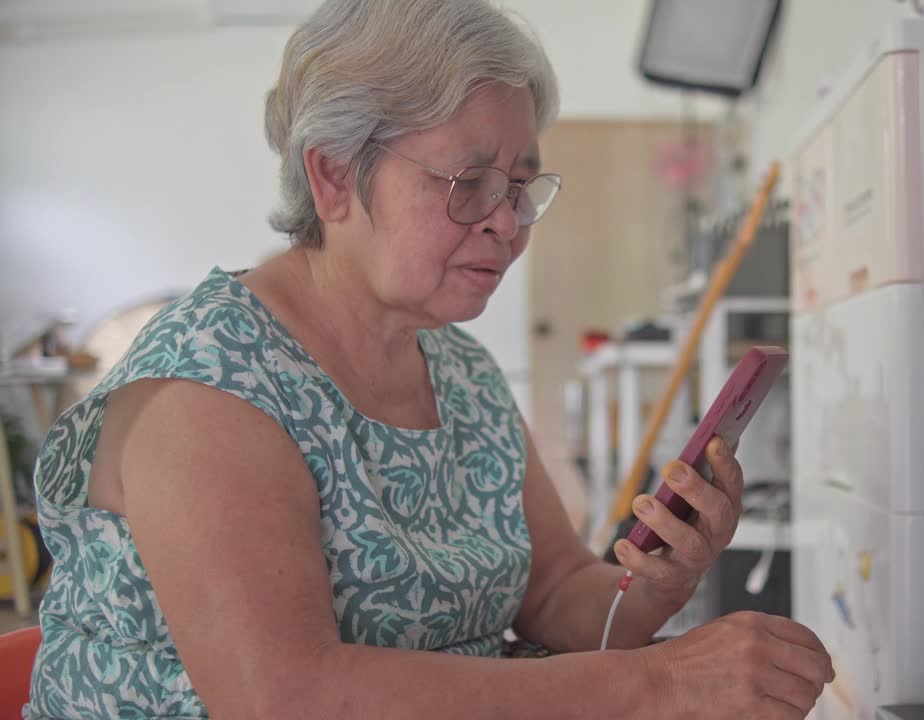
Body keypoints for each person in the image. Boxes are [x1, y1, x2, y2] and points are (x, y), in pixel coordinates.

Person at [24, 1, 833, 718]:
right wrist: (660, 685)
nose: (507, 224)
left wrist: (658, 581)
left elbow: (556, 596)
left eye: (520, 185)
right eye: (468, 183)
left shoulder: (463, 372)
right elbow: (284, 698)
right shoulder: (208, 390)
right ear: (335, 177)